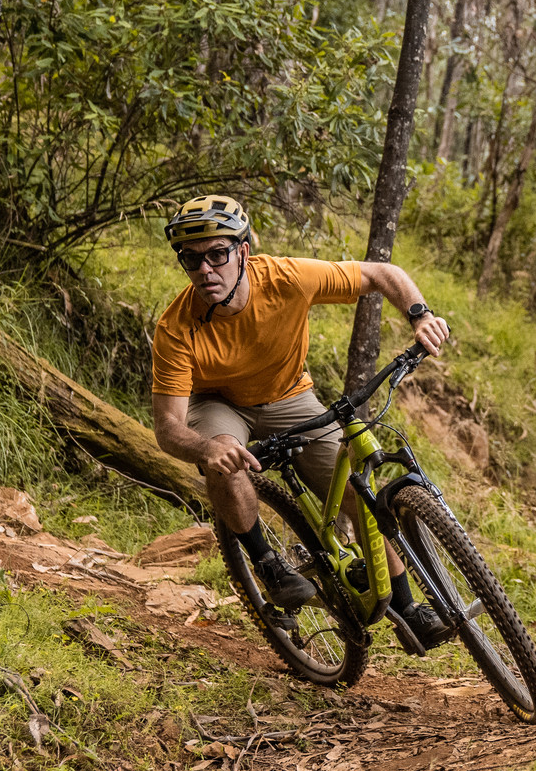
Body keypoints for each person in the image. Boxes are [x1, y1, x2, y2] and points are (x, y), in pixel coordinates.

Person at [148, 194, 455, 648]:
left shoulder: (285, 278)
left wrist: (420, 315)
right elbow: (168, 427)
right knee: (224, 459)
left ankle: (408, 607)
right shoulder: (176, 328)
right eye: (191, 260)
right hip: (221, 402)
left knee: (357, 494)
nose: (205, 270)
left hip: (290, 394)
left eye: (217, 254)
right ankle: (268, 563)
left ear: (243, 251)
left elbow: (380, 273)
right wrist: (206, 448)